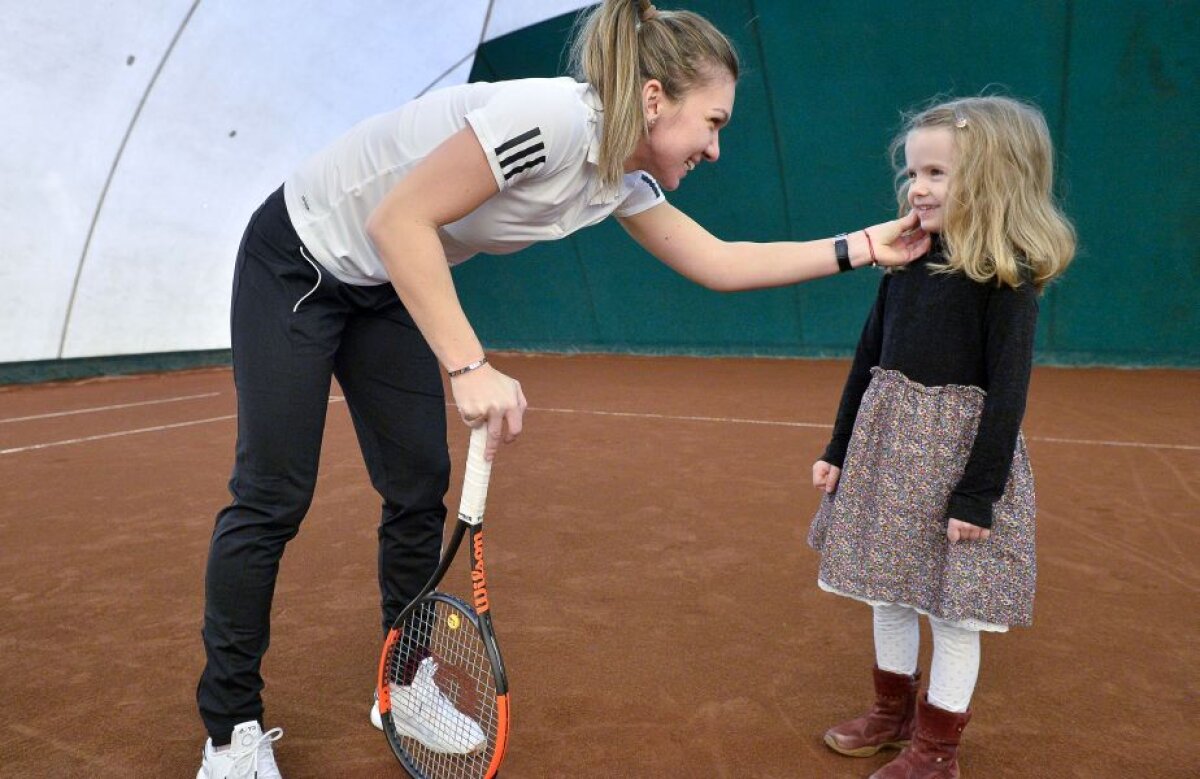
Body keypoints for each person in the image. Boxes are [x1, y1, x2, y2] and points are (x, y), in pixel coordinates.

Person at [195, 1, 932, 776]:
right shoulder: (554, 118)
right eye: (711, 122)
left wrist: (865, 247)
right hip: (299, 260)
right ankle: (230, 730)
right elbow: (398, 218)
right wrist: (468, 364)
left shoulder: (618, 177)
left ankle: (404, 682)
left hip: (385, 286)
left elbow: (718, 261)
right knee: (273, 494)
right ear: (654, 100)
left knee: (417, 482)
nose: (715, 147)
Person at [806, 94, 1075, 778]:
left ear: (991, 181)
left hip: (958, 466)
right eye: (913, 173)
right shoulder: (903, 259)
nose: (916, 187)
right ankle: (891, 714)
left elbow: (1007, 397)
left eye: (935, 174)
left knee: (956, 613)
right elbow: (868, 361)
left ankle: (936, 750)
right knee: (887, 589)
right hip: (887, 450)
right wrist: (838, 449)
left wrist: (977, 495)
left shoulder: (1007, 280)